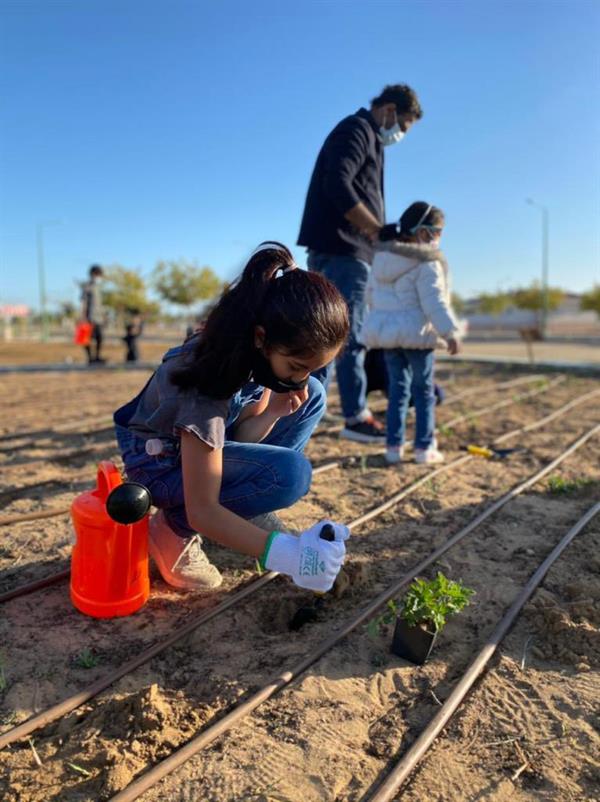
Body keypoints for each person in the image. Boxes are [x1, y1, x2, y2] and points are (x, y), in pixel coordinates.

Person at [113, 242, 351, 593]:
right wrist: (290, 557)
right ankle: (172, 531)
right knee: (288, 474)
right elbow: (203, 509)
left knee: (312, 396)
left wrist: (272, 412)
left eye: (313, 367)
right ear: (261, 338)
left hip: (199, 446)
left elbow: (239, 436)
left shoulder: (255, 352)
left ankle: (245, 509)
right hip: (157, 461)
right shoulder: (208, 377)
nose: (299, 378)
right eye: (296, 367)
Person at [298, 84, 423, 443]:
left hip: (343, 249)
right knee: (343, 337)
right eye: (404, 125)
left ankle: (305, 411)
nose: (400, 134)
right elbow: (338, 183)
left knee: (325, 333)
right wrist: (375, 230)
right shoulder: (358, 129)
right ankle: (353, 417)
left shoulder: (367, 137)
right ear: (388, 110)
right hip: (343, 250)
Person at [361, 202, 464, 465]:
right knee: (424, 392)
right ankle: (423, 448)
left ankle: (393, 447)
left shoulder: (381, 260)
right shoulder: (426, 263)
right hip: (418, 337)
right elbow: (434, 303)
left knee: (398, 392)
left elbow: (369, 297)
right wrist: (450, 332)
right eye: (437, 232)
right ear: (423, 233)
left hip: (389, 338)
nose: (439, 238)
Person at [80, 264, 106, 364]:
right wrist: (83, 317)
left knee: (100, 338)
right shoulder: (87, 287)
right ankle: (90, 358)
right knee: (86, 339)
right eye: (97, 274)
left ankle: (97, 357)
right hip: (89, 317)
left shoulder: (98, 287)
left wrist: (103, 316)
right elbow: (84, 303)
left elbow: (100, 304)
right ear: (92, 274)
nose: (99, 277)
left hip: (98, 318)